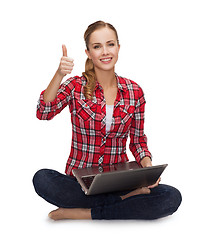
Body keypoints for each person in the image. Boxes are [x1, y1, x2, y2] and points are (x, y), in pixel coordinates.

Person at [33, 20, 182, 220]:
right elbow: (44, 112)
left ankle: (85, 213)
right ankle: (126, 200)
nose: (105, 52)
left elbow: (137, 141)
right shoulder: (76, 86)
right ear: (88, 53)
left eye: (110, 44)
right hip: (80, 184)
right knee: (42, 178)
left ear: (118, 47)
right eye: (97, 46)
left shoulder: (134, 91)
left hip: (119, 182)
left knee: (171, 196)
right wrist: (59, 74)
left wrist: (147, 167)